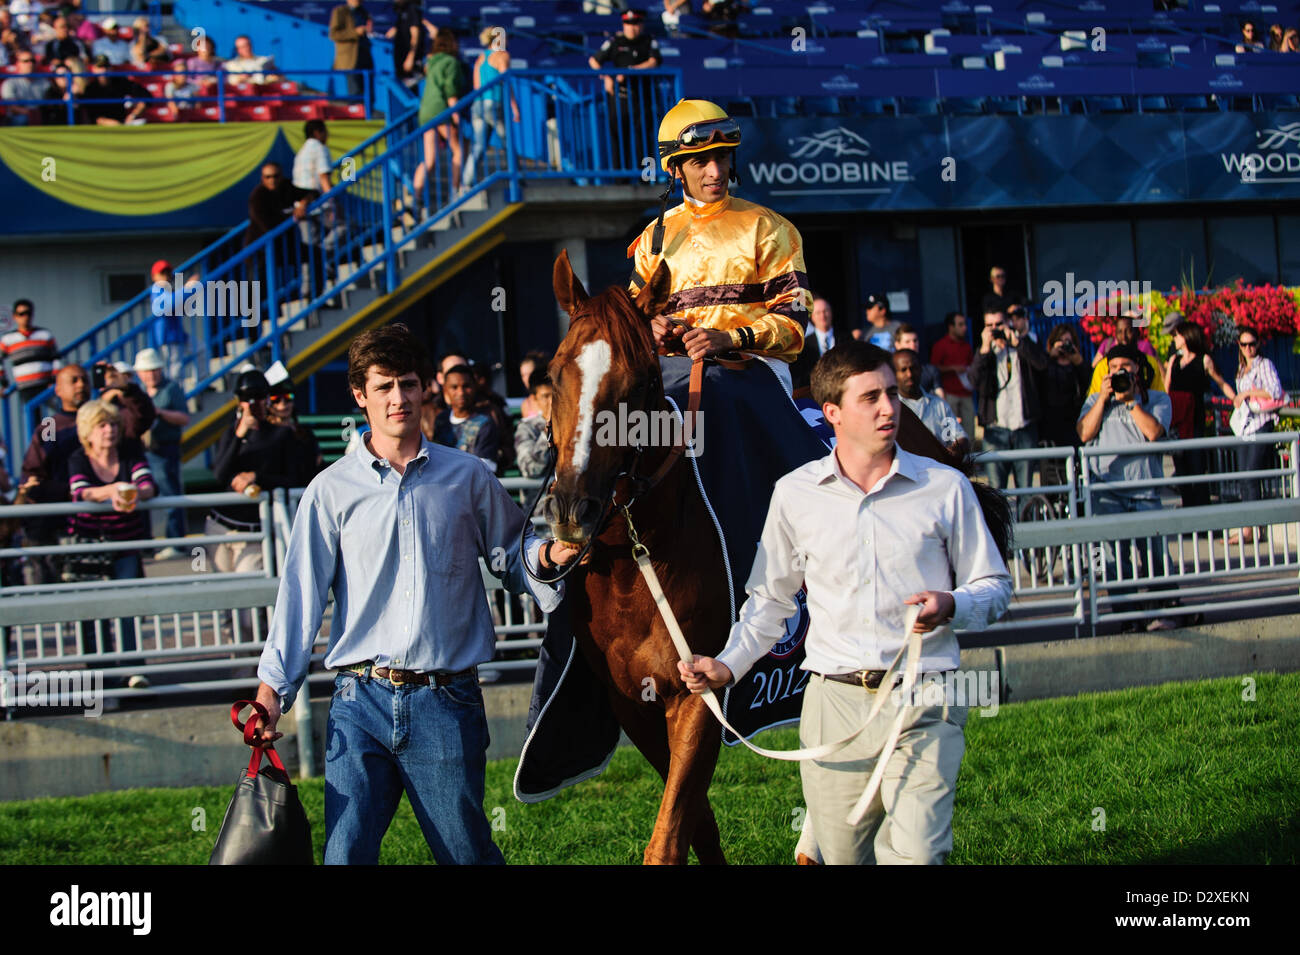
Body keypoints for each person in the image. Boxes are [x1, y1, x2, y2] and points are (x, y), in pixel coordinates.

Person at [248, 323, 580, 864]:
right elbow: (300, 597)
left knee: (465, 855)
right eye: (383, 387)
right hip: (358, 701)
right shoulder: (329, 490)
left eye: (407, 384)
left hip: (446, 701)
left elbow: (512, 556)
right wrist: (270, 692)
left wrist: (546, 557)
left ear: (426, 387)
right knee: (344, 857)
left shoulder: (469, 477)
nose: (398, 398)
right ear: (360, 396)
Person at [679, 341, 1012, 865]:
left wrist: (950, 604)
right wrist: (726, 666)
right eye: (871, 397)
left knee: (918, 857)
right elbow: (770, 601)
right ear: (831, 412)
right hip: (833, 707)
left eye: (892, 395)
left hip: (926, 698)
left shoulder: (945, 488)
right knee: (841, 858)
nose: (888, 408)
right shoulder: (794, 494)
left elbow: (994, 587)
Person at [1077, 342, 1177, 631]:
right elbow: (1083, 433)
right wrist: (1102, 399)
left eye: (1126, 367)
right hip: (1105, 493)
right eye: (1114, 369)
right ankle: (1128, 618)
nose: (1120, 372)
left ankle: (1163, 612)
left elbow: (1155, 432)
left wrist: (1131, 401)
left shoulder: (1157, 398)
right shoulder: (1096, 399)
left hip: (1145, 490)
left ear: (1139, 370)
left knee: (1156, 556)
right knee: (1113, 563)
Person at [66, 399, 156, 667]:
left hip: (125, 543)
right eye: (102, 425)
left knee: (128, 607)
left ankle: (134, 670)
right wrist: (113, 490)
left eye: (113, 424)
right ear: (87, 432)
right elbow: (81, 491)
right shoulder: (78, 458)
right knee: (96, 611)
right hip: (90, 546)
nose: (110, 430)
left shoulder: (129, 453)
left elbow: (150, 486)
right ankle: (102, 672)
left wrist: (133, 492)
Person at [208, 369, 305, 575]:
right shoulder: (231, 432)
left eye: (260, 396)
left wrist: (256, 476)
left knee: (247, 595)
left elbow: (294, 479)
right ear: (238, 402)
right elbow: (219, 475)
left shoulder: (282, 434)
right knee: (221, 595)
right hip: (221, 525)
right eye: (246, 398)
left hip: (254, 528)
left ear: (267, 399)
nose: (253, 403)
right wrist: (240, 434)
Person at [17, 364, 88, 585]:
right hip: (59, 518)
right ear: (57, 390)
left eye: (85, 379)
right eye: (73, 380)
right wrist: (66, 491)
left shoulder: (106, 420)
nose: (81, 385)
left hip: (96, 517)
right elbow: (34, 473)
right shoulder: (50, 425)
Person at [1162, 316, 1234, 509]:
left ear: (1186, 336)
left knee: (1196, 467)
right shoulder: (1174, 360)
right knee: (1181, 468)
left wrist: (1235, 399)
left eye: (1177, 335)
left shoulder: (1204, 360)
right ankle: (1187, 510)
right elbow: (1166, 390)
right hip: (1177, 421)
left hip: (1194, 420)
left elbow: (1221, 382)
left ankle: (1202, 512)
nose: (1174, 339)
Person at [971, 310, 1047, 490]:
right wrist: (984, 349)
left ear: (1008, 324)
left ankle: (1027, 519)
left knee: (1026, 487)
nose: (994, 329)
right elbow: (974, 380)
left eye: (999, 324)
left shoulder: (1023, 345)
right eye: (989, 326)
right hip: (996, 429)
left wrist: (1017, 342)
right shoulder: (985, 352)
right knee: (997, 490)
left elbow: (1042, 364)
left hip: (1024, 427)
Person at [1229, 326, 1286, 544]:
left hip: (1261, 423)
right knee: (1245, 477)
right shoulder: (1242, 368)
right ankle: (1248, 526)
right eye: (1244, 344)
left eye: (1252, 344)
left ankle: (1251, 529)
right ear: (1239, 346)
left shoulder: (1265, 364)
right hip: (1245, 425)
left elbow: (1274, 391)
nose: (1249, 348)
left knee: (1251, 476)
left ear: (1258, 344)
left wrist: (1247, 393)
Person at [588, 9, 661, 168]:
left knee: (643, 139)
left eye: (635, 24)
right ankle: (621, 179)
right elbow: (594, 60)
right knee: (619, 138)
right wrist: (606, 76)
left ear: (641, 25)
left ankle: (646, 178)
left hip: (642, 97)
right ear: (623, 25)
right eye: (628, 24)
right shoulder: (615, 42)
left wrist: (631, 70)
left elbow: (654, 61)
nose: (632, 27)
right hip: (620, 98)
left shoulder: (648, 41)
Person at [133, 347, 188, 557]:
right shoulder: (138, 393)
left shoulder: (171, 389)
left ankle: (176, 543)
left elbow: (184, 418)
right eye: (146, 371)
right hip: (143, 451)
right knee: (142, 496)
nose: (151, 374)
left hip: (165, 450)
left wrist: (159, 413)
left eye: (154, 370)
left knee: (170, 496)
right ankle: (146, 543)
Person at [412, 26, 466, 204]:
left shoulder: (431, 62)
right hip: (441, 110)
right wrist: (456, 117)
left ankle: (416, 197)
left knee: (429, 160)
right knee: (458, 151)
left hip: (426, 111)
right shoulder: (451, 63)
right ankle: (456, 191)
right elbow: (450, 91)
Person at [463, 25, 520, 189]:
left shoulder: (481, 57)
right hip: (493, 104)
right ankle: (516, 178)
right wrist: (515, 108)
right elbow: (506, 83)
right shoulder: (502, 56)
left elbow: (476, 86)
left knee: (479, 146)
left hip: (478, 105)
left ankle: (466, 183)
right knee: (507, 142)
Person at [893, 348, 967, 455]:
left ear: (921, 369)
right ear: (894, 374)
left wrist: (950, 454)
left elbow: (959, 437)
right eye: (903, 370)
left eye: (913, 368)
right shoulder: (890, 409)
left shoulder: (939, 405)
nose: (909, 374)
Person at [433, 364, 499, 471]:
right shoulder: (441, 420)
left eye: (466, 386)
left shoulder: (485, 423)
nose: (461, 393)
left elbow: (485, 468)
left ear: (474, 387)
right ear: (445, 390)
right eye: (454, 387)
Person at [1039, 322, 1091, 449]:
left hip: (1073, 422)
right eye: (1060, 341)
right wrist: (1050, 356)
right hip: (1050, 424)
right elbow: (1037, 381)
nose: (1064, 346)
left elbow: (1089, 385)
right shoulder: (1045, 364)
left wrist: (1078, 362)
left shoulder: (1078, 365)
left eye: (1067, 341)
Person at [1, 298, 58, 412]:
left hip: (46, 386)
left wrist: (53, 381)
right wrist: (4, 384)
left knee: (55, 416)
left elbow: (56, 359)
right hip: (26, 388)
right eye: (21, 314)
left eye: (28, 313)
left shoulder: (45, 334)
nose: (25, 317)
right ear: (15, 317)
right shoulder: (8, 339)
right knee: (33, 419)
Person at [1087, 314, 1164, 394]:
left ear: (1137, 333)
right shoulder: (1103, 365)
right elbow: (1092, 402)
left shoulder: (1149, 363)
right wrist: (1103, 397)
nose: (1123, 337)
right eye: (1120, 332)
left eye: (1128, 331)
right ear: (1115, 334)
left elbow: (1159, 397)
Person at [266, 375, 324, 477]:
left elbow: (317, 462)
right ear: (268, 403)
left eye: (288, 397)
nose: (283, 404)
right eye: (275, 399)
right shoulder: (263, 432)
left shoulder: (304, 431)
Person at [930, 312, 975, 444]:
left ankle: (970, 462)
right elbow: (934, 369)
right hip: (949, 396)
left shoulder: (966, 346)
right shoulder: (941, 345)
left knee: (969, 432)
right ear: (951, 327)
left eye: (964, 324)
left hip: (966, 394)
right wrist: (953, 368)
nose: (964, 328)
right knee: (951, 434)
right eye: (960, 325)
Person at [85, 53, 147, 125]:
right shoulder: (90, 88)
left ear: (111, 68)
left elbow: (145, 96)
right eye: (100, 67)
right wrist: (111, 123)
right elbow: (93, 116)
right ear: (94, 69)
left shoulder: (120, 82)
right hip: (100, 127)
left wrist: (133, 115)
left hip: (122, 122)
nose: (104, 70)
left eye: (106, 66)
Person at [329, 0, 372, 100]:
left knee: (368, 91)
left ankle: (367, 113)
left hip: (365, 56)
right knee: (355, 91)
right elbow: (334, 34)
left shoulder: (363, 12)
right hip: (350, 58)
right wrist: (355, 32)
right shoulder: (339, 11)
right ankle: (355, 112)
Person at [514, 373, 553, 479]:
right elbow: (530, 470)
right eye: (546, 396)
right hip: (540, 494)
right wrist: (548, 430)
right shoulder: (526, 428)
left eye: (556, 395)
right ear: (535, 399)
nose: (552, 401)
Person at [387, 0, 433, 88]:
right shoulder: (400, 12)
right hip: (401, 59)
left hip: (412, 62)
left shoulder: (412, 10)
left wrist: (410, 57)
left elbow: (415, 35)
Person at [0, 49, 49, 125]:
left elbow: (51, 102)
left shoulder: (44, 82)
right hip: (19, 117)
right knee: (22, 119)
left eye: (33, 61)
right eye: (26, 61)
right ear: (18, 63)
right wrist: (31, 113)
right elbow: (12, 107)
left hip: (41, 114)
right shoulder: (9, 83)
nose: (30, 64)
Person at [893, 324, 942, 397]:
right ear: (897, 345)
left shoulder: (931, 370)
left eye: (915, 341)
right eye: (907, 342)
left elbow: (940, 396)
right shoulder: (889, 372)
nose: (913, 345)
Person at [518, 350, 550, 419]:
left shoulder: (551, 399)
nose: (526, 379)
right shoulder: (525, 404)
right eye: (523, 375)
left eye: (529, 374)